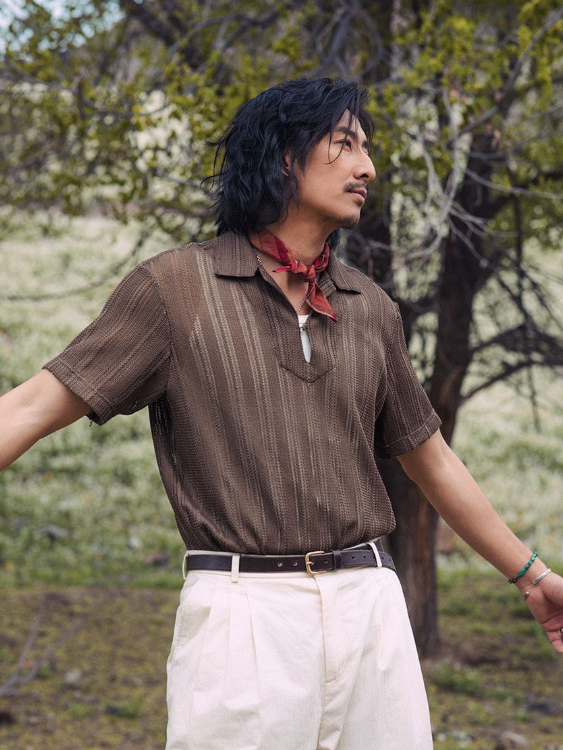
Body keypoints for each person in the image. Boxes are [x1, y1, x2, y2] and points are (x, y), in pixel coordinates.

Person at [1, 77, 562, 750]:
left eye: (366, 148)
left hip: (371, 609)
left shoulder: (370, 309)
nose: (367, 168)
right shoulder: (174, 290)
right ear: (283, 157)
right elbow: (31, 407)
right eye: (345, 144)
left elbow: (431, 460)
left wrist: (532, 578)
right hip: (242, 617)